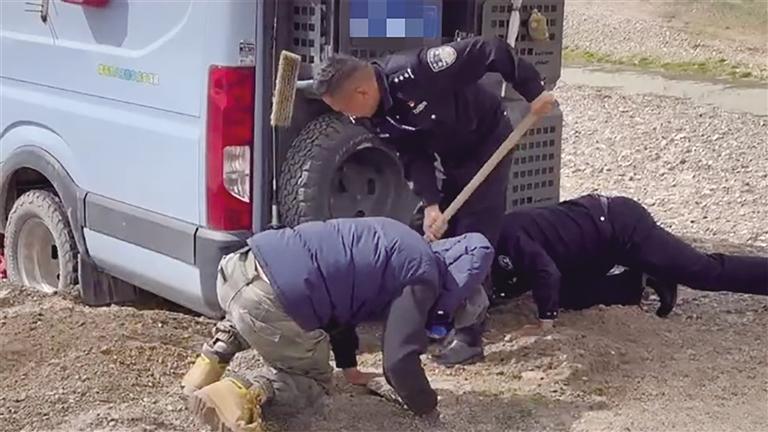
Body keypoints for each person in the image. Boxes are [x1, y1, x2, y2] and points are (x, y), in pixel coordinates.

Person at [313, 35, 555, 358]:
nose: (347, 117)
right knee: (438, 231)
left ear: (361, 92)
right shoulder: (372, 116)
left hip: (487, 139)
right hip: (450, 154)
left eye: (344, 109)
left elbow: (489, 50)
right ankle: (435, 317)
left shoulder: (418, 70)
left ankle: (469, 336)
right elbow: (411, 154)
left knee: (474, 233)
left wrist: (533, 90)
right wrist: (430, 204)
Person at [180, 217, 494, 432]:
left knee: (260, 315)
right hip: (271, 298)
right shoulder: (423, 277)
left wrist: (350, 369)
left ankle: (203, 373)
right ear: (455, 297)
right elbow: (399, 361)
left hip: (239, 267)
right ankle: (242, 391)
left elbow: (340, 300)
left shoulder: (400, 240)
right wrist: (427, 408)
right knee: (312, 384)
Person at [436, 193, 767, 365]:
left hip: (620, 226)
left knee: (703, 272)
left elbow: (545, 271)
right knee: (565, 295)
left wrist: (543, 324)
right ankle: (642, 280)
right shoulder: (481, 257)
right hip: (592, 251)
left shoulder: (506, 235)